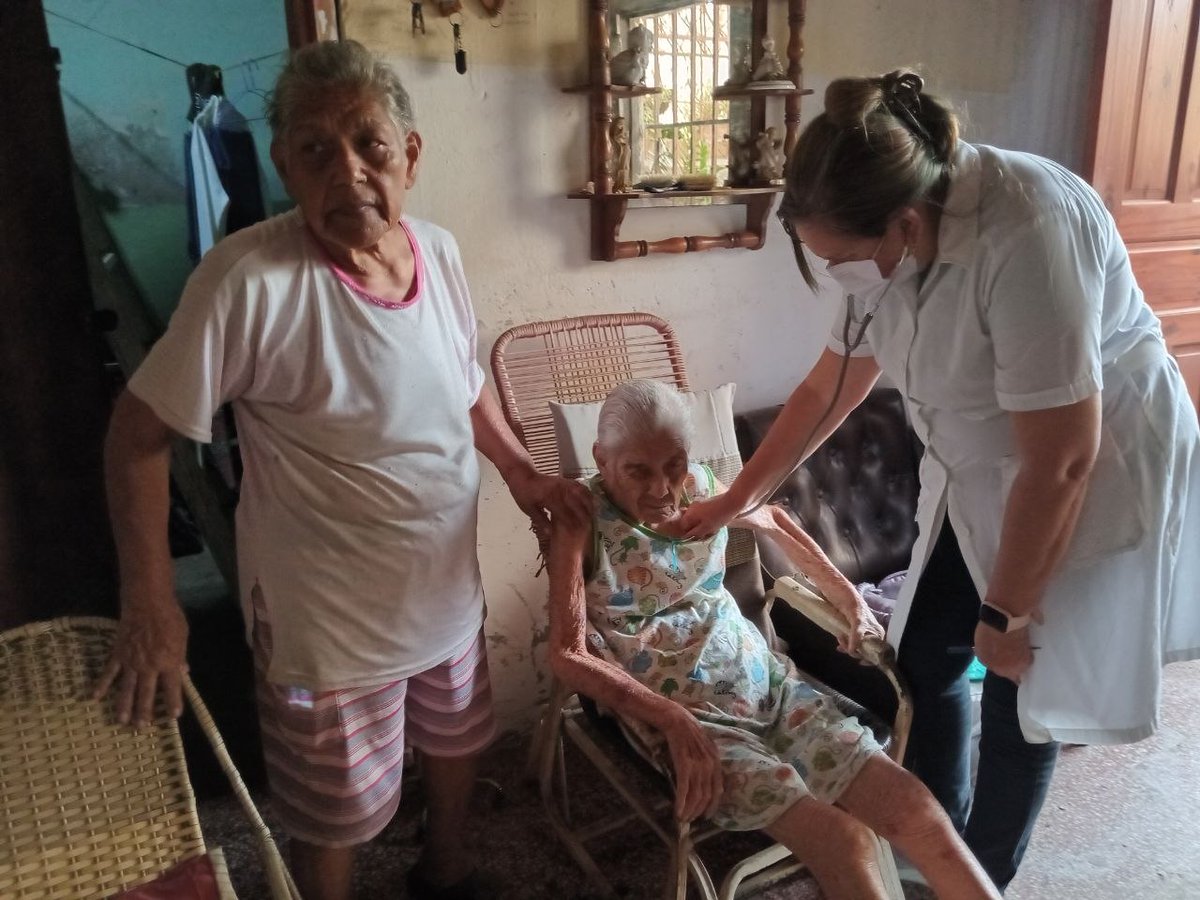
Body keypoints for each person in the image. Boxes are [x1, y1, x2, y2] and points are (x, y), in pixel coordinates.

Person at [680, 69, 1200, 890]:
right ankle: (938, 841)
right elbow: (829, 385)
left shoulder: (1026, 229)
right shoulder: (882, 250)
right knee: (927, 654)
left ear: (907, 222)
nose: (838, 276)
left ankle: (978, 876)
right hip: (980, 465)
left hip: (1084, 467)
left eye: (842, 259)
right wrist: (738, 497)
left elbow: (1062, 455)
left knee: (1020, 688)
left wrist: (1011, 607)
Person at [98, 40, 587, 900]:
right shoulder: (247, 280)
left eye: (370, 144)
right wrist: (152, 601)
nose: (349, 170)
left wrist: (521, 472)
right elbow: (136, 435)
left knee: (456, 741)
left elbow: (463, 380)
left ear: (411, 154)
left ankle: (443, 872)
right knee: (338, 810)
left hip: (442, 590)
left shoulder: (436, 252)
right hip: (328, 625)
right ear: (283, 162)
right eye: (316, 150)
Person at [548, 380, 1001, 900]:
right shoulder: (582, 520)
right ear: (601, 460)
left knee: (916, 809)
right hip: (686, 718)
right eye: (637, 471)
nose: (662, 489)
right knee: (844, 840)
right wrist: (671, 720)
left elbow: (776, 519)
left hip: (766, 685)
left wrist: (850, 602)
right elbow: (566, 652)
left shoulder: (703, 488)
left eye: (673, 464)